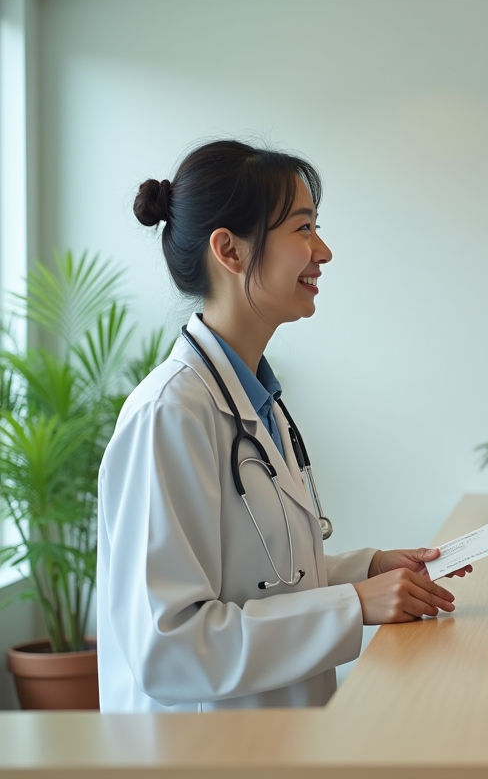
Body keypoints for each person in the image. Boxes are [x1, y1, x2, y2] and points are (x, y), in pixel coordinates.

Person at [97, 140, 467, 713]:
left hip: (278, 737)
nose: (323, 251)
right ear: (230, 250)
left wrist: (366, 569)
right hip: (204, 748)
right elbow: (169, 647)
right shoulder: (169, 413)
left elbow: (264, 579)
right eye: (303, 228)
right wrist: (354, 604)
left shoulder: (254, 399)